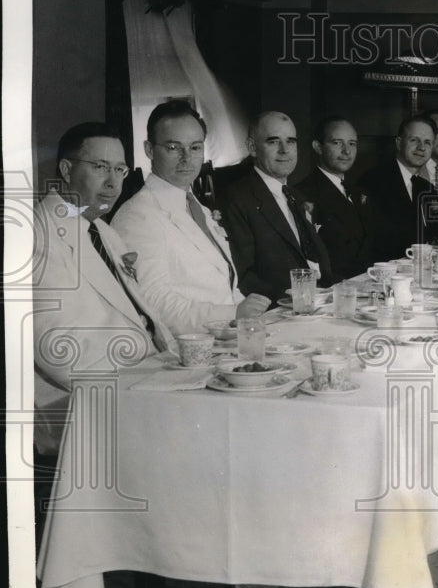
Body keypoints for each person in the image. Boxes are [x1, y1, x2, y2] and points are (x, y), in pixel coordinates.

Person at [33, 122, 175, 455]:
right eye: (99, 168)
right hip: (81, 405)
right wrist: (152, 376)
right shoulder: (37, 237)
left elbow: (138, 315)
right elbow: (58, 350)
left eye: (120, 170)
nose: (113, 183)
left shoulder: (100, 230)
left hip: (140, 380)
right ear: (67, 170)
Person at [112, 100, 270, 337]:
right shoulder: (137, 216)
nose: (187, 158)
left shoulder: (199, 208)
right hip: (187, 350)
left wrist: (249, 314)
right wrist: (233, 314)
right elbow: (153, 302)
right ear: (149, 150)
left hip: (225, 339)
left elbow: (223, 285)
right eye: (174, 148)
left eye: (195, 147)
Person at [220, 111, 334, 303]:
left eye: (291, 141)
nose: (285, 150)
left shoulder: (296, 196)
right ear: (252, 147)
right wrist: (290, 304)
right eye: (273, 142)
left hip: (317, 305)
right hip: (279, 314)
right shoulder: (237, 199)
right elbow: (243, 276)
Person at [295, 115, 377, 282]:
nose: (346, 151)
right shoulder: (303, 194)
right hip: (336, 291)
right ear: (318, 147)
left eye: (352, 144)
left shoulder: (358, 192)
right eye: (337, 143)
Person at [360, 114, 438, 260]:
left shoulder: (424, 187)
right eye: (414, 140)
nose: (421, 148)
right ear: (399, 143)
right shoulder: (374, 181)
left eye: (427, 142)